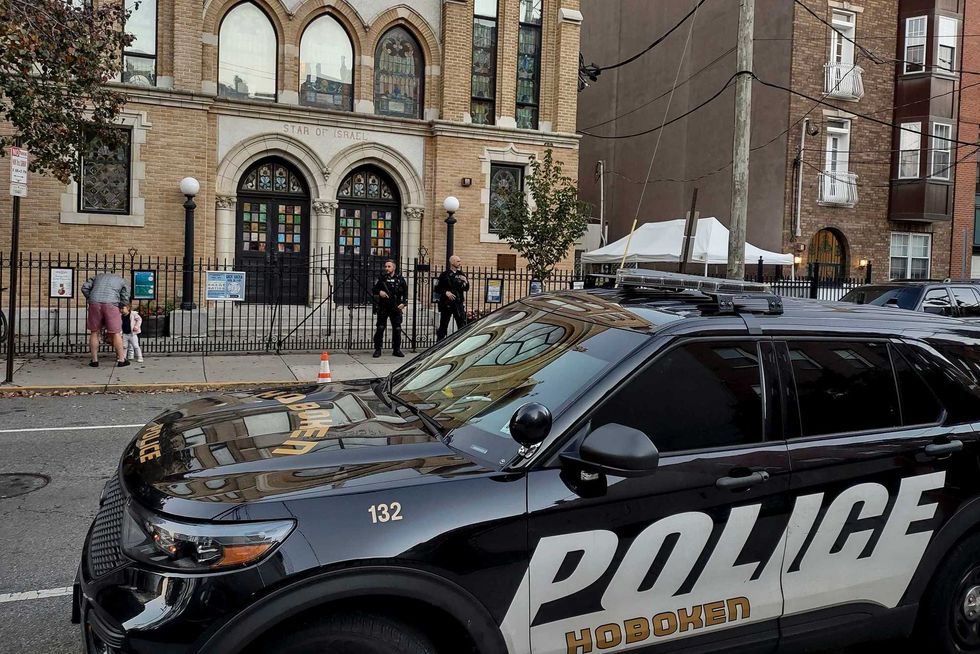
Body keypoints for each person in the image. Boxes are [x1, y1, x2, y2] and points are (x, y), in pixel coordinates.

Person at [81, 271, 130, 368]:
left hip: (94, 303)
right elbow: (125, 296)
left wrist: (91, 298)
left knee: (94, 332)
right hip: (111, 304)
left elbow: (84, 288)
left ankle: (94, 360)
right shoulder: (121, 280)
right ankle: (121, 359)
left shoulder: (96, 277)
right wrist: (122, 305)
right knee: (116, 332)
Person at [372, 259, 408, 358]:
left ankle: (396, 349)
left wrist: (404, 303)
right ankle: (377, 349)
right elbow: (374, 289)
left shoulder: (400, 279)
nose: (387, 268)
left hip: (396, 307)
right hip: (384, 307)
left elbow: (405, 293)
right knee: (380, 328)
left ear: (394, 268)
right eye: (386, 266)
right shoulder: (382, 279)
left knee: (397, 329)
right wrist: (380, 292)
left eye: (389, 266)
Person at [435, 255, 470, 342]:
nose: (459, 263)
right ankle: (439, 343)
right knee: (443, 324)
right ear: (452, 262)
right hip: (447, 303)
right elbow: (437, 288)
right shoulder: (444, 274)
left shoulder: (461, 274)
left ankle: (461, 343)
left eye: (460, 261)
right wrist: (446, 292)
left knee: (461, 324)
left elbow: (466, 288)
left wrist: (466, 281)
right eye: (458, 261)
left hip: (458, 303)